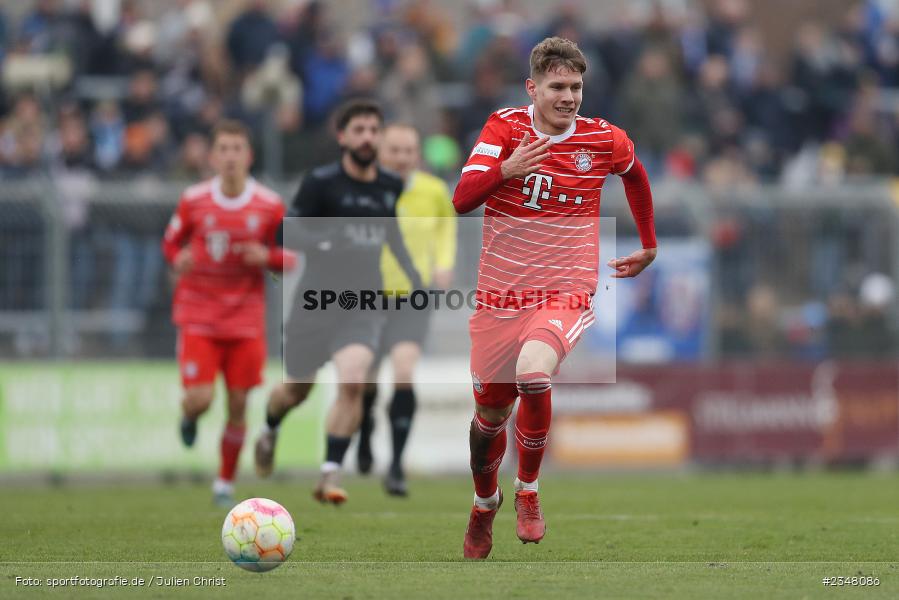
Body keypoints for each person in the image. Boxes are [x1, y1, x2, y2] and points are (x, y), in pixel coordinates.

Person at [452, 37, 658, 559]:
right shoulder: (504, 130)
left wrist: (649, 243)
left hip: (564, 289)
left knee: (534, 373)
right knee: (488, 421)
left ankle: (528, 491)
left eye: (576, 87)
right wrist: (506, 170)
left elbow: (635, 174)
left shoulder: (602, 138)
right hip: (499, 300)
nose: (569, 97)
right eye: (558, 86)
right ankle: (483, 504)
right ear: (533, 87)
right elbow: (461, 200)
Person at [254, 100, 422, 505]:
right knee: (295, 392)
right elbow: (284, 233)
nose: (367, 137)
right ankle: (270, 428)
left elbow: (391, 234)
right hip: (315, 304)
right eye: (359, 129)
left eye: (373, 130)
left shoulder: (389, 185)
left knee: (353, 380)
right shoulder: (321, 184)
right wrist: (325, 241)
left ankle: (329, 475)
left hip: (364, 303)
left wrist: (414, 278)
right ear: (342, 136)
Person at [161, 120, 296, 507]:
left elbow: (293, 257)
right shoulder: (194, 200)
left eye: (238, 148)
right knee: (201, 399)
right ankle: (189, 417)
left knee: (238, 405)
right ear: (213, 156)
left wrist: (267, 257)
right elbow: (170, 242)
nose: (231, 156)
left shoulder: (269, 205)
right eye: (224, 148)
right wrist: (178, 258)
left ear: (249, 155)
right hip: (198, 315)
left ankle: (224, 483)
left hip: (245, 319)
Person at [355, 123, 457, 497]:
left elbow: (447, 227)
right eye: (394, 150)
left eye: (408, 151)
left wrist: (443, 263)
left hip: (414, 296)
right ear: (381, 153)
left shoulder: (432, 191)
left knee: (403, 371)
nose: (401, 158)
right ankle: (364, 429)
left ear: (417, 155)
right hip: (368, 294)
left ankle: (396, 465)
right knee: (365, 377)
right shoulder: (366, 189)